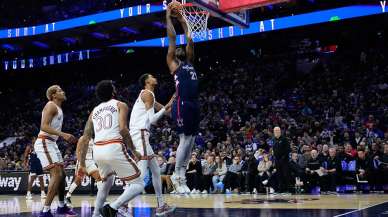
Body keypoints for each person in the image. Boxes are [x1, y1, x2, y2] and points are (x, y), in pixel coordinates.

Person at [77, 80, 143, 217]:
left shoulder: (94, 111)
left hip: (98, 150)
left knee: (106, 182)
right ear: (113, 91)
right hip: (113, 146)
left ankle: (96, 214)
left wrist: (82, 163)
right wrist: (134, 150)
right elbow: (124, 129)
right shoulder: (120, 105)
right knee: (138, 184)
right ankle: (112, 207)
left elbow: (85, 138)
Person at [129, 73, 176, 216]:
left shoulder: (149, 96)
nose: (155, 77)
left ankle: (161, 205)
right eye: (152, 76)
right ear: (146, 81)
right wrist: (168, 104)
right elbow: (152, 119)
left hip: (141, 135)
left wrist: (176, 107)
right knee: (141, 175)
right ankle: (122, 205)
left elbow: (167, 112)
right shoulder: (148, 93)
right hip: (140, 134)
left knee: (155, 171)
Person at [166, 2, 200, 194]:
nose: (179, 47)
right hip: (182, 103)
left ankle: (182, 175)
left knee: (192, 139)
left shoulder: (190, 60)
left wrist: (183, 20)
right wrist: (168, 16)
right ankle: (177, 175)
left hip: (195, 103)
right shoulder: (173, 63)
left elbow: (190, 39)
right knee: (185, 139)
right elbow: (172, 38)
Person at [34, 85, 77, 217]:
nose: (63, 91)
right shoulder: (51, 105)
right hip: (44, 141)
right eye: (59, 90)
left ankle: (61, 206)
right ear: (53, 95)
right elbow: (43, 126)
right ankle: (45, 211)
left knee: (62, 175)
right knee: (57, 174)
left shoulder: (58, 108)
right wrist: (63, 134)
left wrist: (60, 136)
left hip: (52, 143)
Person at [65, 139, 102, 207]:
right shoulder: (82, 139)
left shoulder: (92, 140)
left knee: (99, 178)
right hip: (82, 161)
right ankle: (68, 195)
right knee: (78, 180)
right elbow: (77, 152)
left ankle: (101, 197)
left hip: (90, 162)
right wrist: (82, 165)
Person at [272, 127, 291, 193]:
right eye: (275, 131)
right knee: (279, 175)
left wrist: (282, 158)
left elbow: (288, 150)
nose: (276, 132)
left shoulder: (284, 139)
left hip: (284, 160)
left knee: (285, 174)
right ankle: (281, 189)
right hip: (277, 160)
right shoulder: (273, 139)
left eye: (277, 130)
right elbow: (274, 150)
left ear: (280, 131)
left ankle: (288, 189)